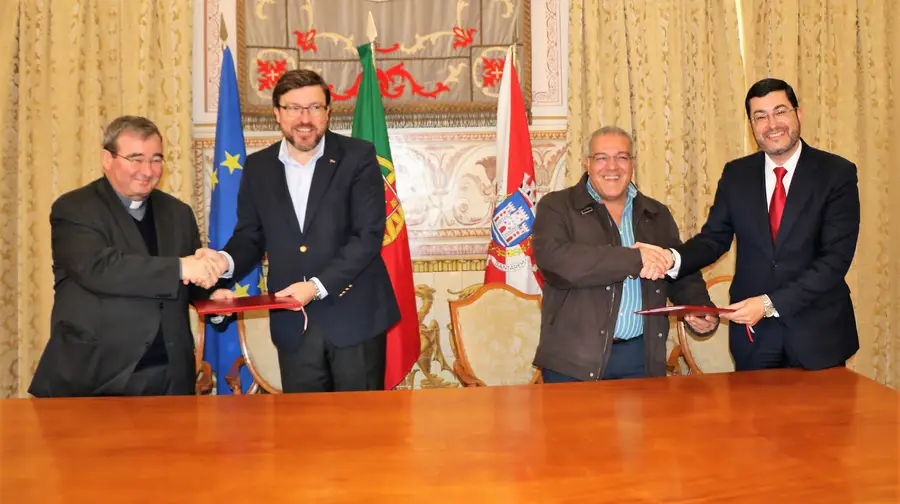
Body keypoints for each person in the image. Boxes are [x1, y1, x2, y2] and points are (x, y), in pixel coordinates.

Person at [198, 69, 400, 393]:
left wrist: (315, 287)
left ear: (328, 112)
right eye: (293, 108)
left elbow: (367, 237)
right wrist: (222, 262)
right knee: (303, 433)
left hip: (355, 319)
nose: (304, 118)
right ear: (277, 113)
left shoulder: (358, 157)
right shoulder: (258, 167)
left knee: (361, 432)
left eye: (314, 107)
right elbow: (250, 236)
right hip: (294, 326)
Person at [649, 78, 860, 371]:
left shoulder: (837, 173)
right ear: (751, 124)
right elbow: (713, 239)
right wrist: (672, 258)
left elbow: (834, 261)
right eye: (760, 116)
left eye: (780, 112)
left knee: (821, 418)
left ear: (799, 114)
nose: (772, 124)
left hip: (819, 333)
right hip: (754, 338)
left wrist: (768, 303)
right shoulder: (737, 174)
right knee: (754, 417)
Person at [29, 115, 228, 397]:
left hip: (170, 375)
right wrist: (181, 268)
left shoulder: (178, 212)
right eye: (136, 158)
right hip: (99, 374)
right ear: (107, 159)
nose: (147, 171)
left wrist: (214, 296)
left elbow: (190, 281)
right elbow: (100, 268)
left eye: (156, 159)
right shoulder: (74, 209)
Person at [532, 126, 717, 382]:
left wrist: (700, 308)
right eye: (601, 158)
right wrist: (635, 259)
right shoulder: (557, 207)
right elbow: (558, 263)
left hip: (641, 359)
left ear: (632, 163)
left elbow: (679, 273)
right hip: (572, 363)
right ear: (587, 163)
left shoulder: (657, 213)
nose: (612, 167)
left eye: (621, 157)